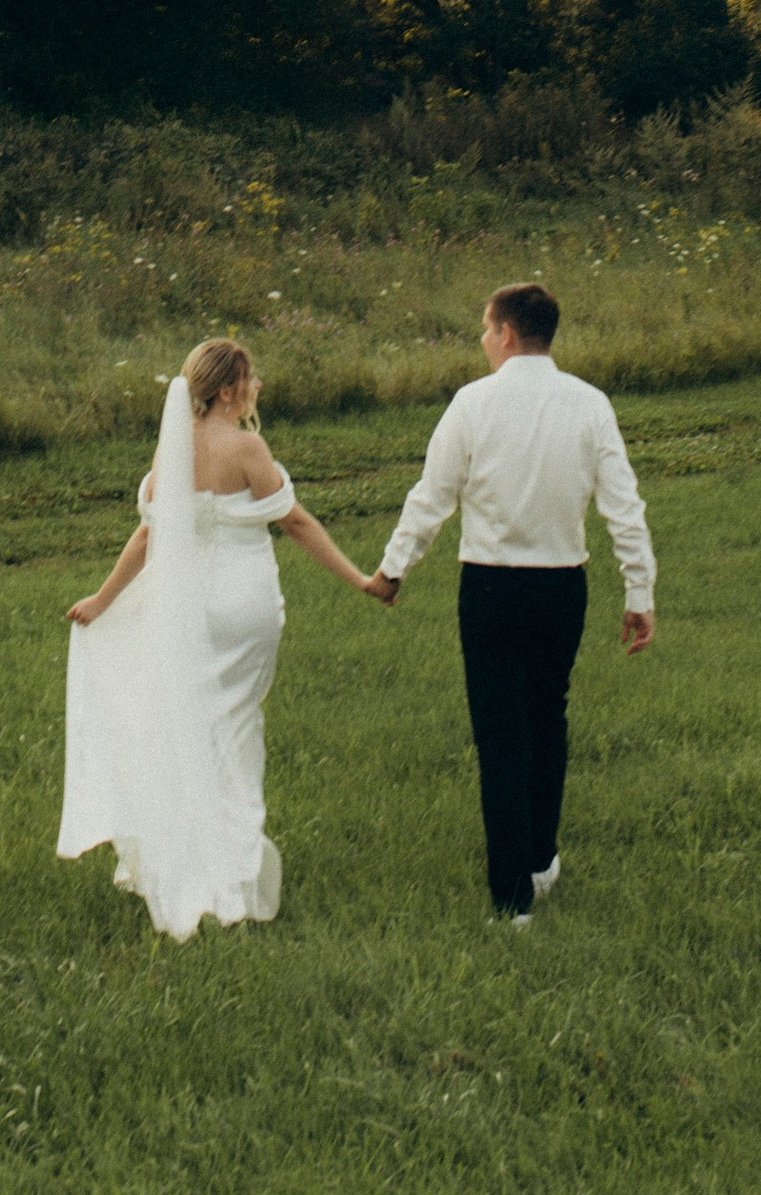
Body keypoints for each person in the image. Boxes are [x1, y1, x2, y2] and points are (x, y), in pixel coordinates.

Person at [58, 334, 384, 938]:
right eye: (252, 378)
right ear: (231, 389)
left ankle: (189, 854)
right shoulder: (246, 446)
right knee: (235, 731)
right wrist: (359, 578)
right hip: (242, 605)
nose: (259, 386)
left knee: (193, 728)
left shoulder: (170, 456)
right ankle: (228, 870)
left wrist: (103, 600)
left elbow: (148, 536)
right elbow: (294, 520)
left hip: (184, 610)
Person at [369, 279, 654, 926]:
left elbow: (431, 497)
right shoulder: (590, 403)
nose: (481, 341)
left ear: (506, 334)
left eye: (483, 330)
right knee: (547, 718)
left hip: (492, 586)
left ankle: (512, 899)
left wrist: (393, 570)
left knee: (501, 735)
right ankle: (538, 859)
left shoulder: (473, 403)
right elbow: (624, 507)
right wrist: (639, 591)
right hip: (562, 587)